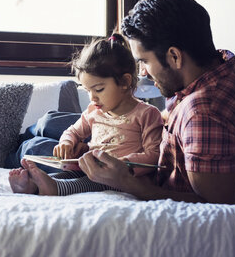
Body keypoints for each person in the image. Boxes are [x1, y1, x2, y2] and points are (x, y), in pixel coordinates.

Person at [76, 0, 235, 204]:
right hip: (143, 142)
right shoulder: (226, 66)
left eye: (144, 61)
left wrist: (125, 182)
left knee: (43, 138)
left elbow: (215, 205)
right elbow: (179, 122)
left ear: (174, 56)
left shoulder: (204, 113)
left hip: (152, 176)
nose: (142, 72)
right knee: (55, 122)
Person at [9, 33, 163, 196]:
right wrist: (67, 143)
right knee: (67, 174)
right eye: (88, 90)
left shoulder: (147, 114)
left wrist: (123, 164)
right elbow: (73, 131)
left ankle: (55, 188)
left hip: (123, 178)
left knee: (88, 182)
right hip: (92, 169)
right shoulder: (93, 111)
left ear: (125, 82)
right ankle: (34, 185)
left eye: (98, 89)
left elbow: (154, 155)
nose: (92, 97)